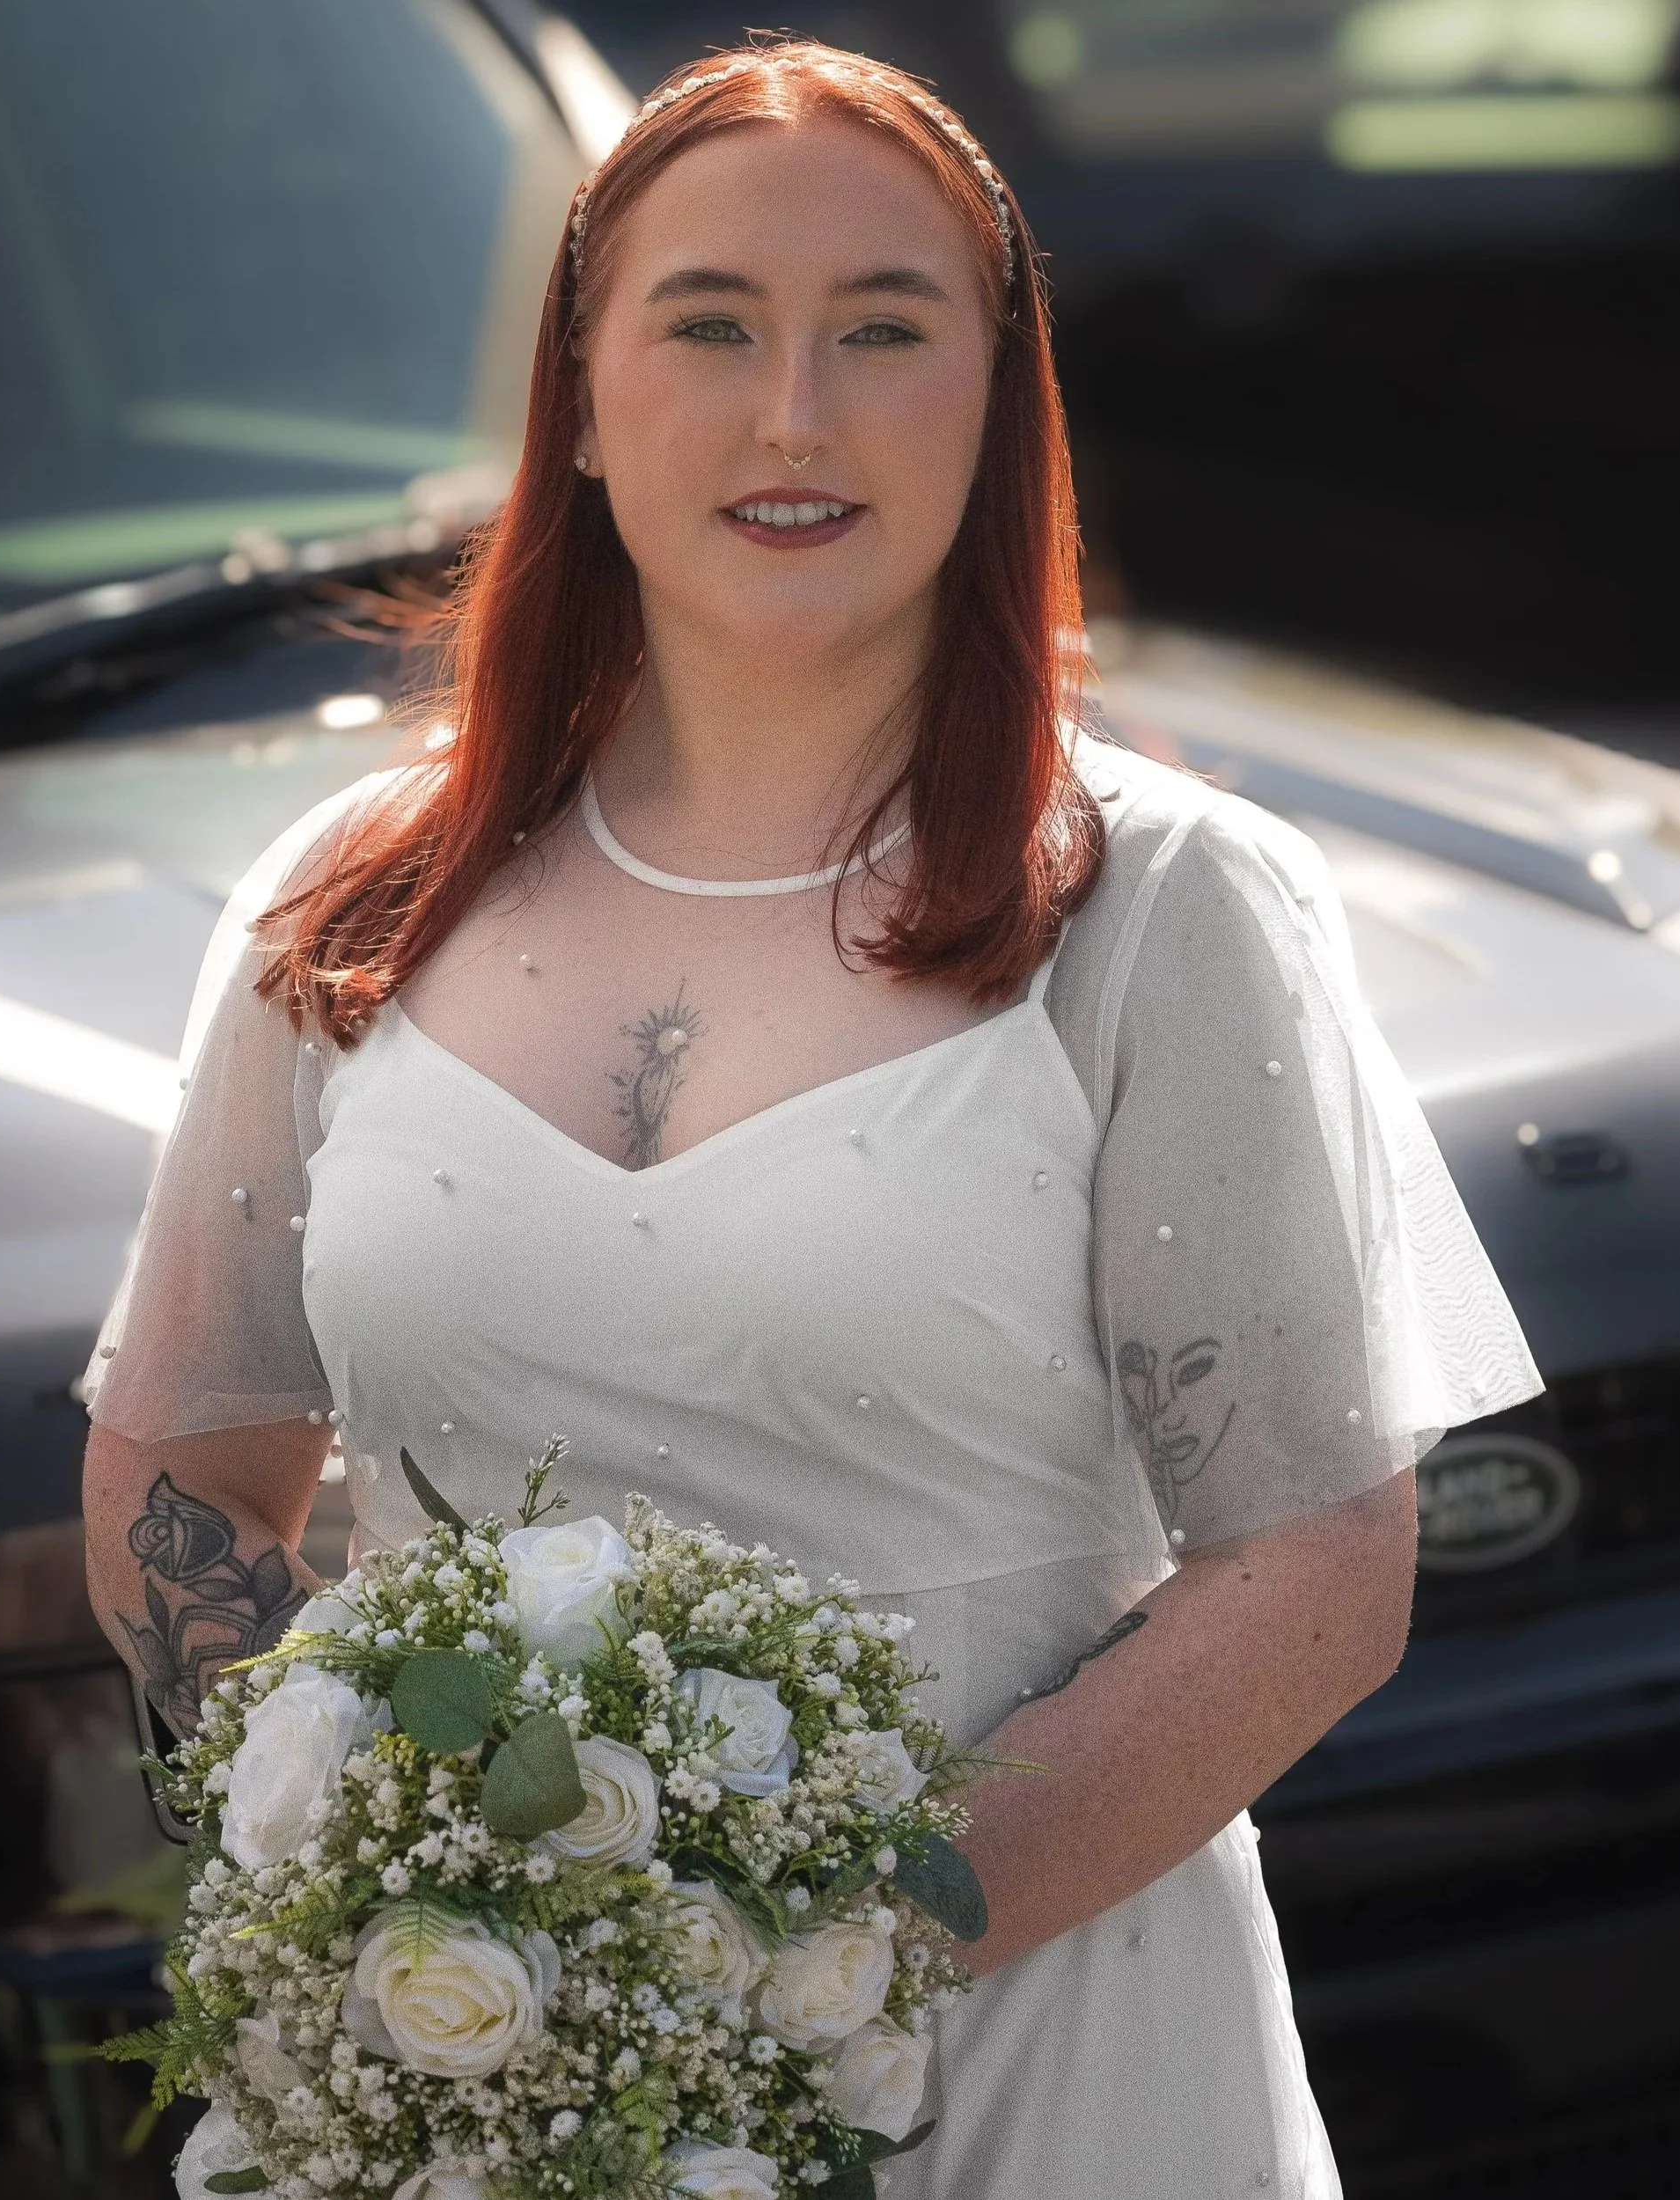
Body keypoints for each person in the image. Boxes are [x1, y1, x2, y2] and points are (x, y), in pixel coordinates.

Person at [80, 42, 1538, 2196]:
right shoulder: (351, 901)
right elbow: (186, 1459)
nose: (794, 414)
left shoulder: (1154, 907)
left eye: (882, 330)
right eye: (710, 328)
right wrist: (396, 1888)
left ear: (990, 399)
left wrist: (814, 1947)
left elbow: (1316, 1566)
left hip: (1046, 2075)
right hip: (485, 2109)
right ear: (577, 395)